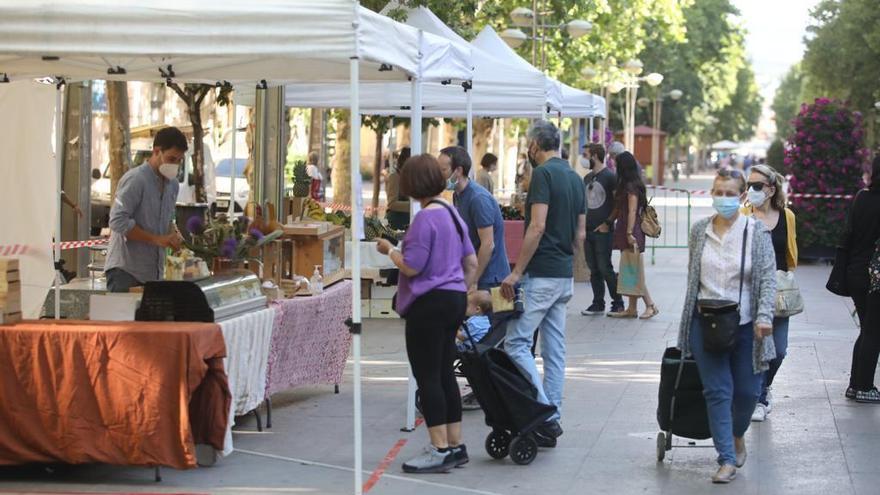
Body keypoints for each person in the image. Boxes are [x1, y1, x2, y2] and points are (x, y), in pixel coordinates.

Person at [376, 154, 477, 474]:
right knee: (446, 373)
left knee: (428, 376)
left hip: (428, 305)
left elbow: (412, 265)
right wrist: (462, 290)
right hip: (454, 299)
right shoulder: (452, 213)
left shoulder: (424, 219)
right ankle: (455, 444)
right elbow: (471, 263)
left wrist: (389, 250)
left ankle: (439, 447)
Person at [678, 168, 776, 483]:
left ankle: (737, 434)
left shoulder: (756, 232)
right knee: (717, 390)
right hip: (705, 323)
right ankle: (726, 459)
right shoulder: (699, 231)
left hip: (747, 324)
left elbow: (768, 277)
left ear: (742, 196)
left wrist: (764, 316)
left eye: (730, 193)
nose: (724, 199)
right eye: (718, 192)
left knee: (748, 392)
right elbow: (694, 277)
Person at [500, 120, 586, 447]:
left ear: (536, 144)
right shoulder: (576, 179)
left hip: (541, 273)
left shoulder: (543, 175)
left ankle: (545, 412)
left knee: (516, 343)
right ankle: (554, 415)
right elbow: (580, 235)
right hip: (563, 275)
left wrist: (517, 271)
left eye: (528, 144)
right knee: (555, 350)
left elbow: (536, 227)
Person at [744, 164, 798, 421]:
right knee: (756, 347)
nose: (751, 190)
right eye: (748, 185)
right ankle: (758, 396)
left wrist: (788, 278)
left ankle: (765, 386)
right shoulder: (743, 215)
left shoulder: (787, 216)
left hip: (778, 291)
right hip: (750, 290)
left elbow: (790, 254)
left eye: (757, 186)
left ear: (771, 189)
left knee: (779, 350)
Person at [104, 127, 185, 293]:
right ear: (156, 151)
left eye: (179, 160)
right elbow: (117, 221)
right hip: (126, 271)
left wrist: (174, 235)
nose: (175, 164)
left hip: (154, 274)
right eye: (171, 158)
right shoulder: (136, 179)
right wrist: (157, 239)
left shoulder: (173, 185)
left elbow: (167, 219)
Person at [439, 146, 510, 292]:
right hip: (475, 274)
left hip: (489, 279)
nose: (438, 176)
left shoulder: (478, 199)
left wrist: (473, 280)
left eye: (443, 170)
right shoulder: (457, 195)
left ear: (458, 171)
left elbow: (488, 244)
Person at [842, 155, 880, 403]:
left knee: (867, 330)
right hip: (874, 277)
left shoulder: (861, 197)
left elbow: (850, 235)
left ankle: (856, 384)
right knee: (873, 332)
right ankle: (864, 385)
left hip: (856, 272)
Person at [606, 152, 659, 319]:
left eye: (616, 164)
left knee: (633, 271)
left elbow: (632, 210)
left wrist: (629, 233)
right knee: (630, 270)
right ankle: (632, 308)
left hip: (632, 231)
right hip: (626, 230)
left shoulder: (631, 187)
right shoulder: (630, 184)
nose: (614, 167)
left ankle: (650, 305)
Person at [580, 144, 625, 316]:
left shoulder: (610, 177)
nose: (583, 159)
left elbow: (617, 203)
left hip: (603, 231)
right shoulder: (587, 178)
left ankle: (618, 302)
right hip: (588, 229)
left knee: (605, 267)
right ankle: (598, 302)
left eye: (586, 155)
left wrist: (608, 222)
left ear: (596, 156)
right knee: (594, 269)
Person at [385, 147, 412, 230]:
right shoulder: (395, 177)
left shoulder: (412, 177)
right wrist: (413, 205)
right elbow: (392, 203)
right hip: (397, 222)